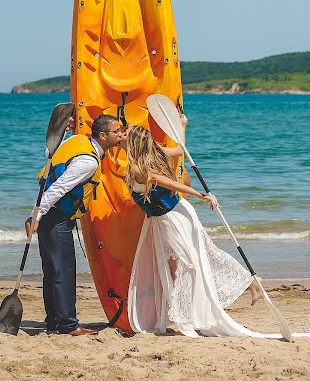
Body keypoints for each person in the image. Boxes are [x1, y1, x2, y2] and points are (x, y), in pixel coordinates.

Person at [123, 119, 267, 338]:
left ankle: (185, 319)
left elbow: (167, 183)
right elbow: (181, 149)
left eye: (126, 134)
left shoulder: (138, 168)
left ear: (133, 143)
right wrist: (183, 125)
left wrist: (200, 195)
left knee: (183, 266)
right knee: (201, 257)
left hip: (171, 218)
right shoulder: (156, 152)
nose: (122, 136)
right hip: (177, 213)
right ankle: (250, 282)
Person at [25, 114, 123, 336]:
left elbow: (50, 155)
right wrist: (35, 216)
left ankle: (54, 323)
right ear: (103, 135)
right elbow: (58, 188)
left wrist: (65, 133)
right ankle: (68, 325)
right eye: (116, 131)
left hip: (50, 215)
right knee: (63, 272)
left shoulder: (76, 141)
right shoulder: (88, 161)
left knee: (52, 271)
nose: (120, 135)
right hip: (56, 217)